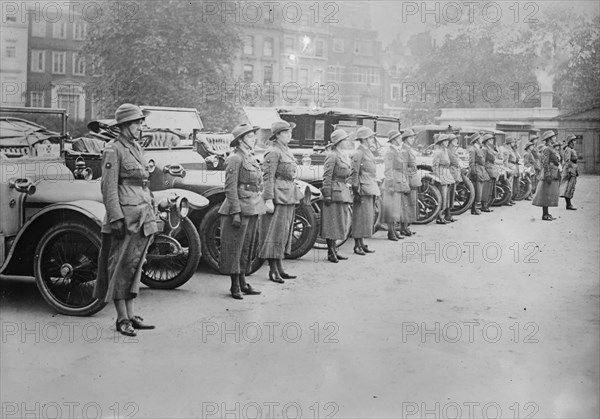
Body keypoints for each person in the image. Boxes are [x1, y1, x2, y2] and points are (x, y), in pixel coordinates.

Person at [93, 103, 157, 337]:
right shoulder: (113, 149)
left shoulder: (137, 148)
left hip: (142, 212)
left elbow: (143, 182)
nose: (141, 126)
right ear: (124, 126)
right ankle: (121, 318)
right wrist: (116, 217)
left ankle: (131, 315)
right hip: (126, 215)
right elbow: (108, 187)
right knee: (121, 266)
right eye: (137, 122)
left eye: (141, 122)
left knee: (134, 265)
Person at [218, 123, 266, 299]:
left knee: (247, 246)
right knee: (235, 248)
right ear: (241, 140)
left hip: (252, 206)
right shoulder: (235, 158)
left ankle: (243, 282)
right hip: (238, 208)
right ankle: (235, 285)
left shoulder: (250, 157)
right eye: (251, 136)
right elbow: (230, 188)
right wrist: (235, 212)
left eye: (254, 135)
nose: (254, 138)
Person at [259, 120, 304, 283]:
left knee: (284, 233)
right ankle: (272, 270)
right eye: (285, 133)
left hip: (288, 194)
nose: (289, 135)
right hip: (278, 195)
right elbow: (268, 177)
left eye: (290, 133)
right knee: (275, 233)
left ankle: (280, 268)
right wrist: (268, 199)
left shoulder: (286, 150)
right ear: (276, 136)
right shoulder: (273, 152)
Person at [321, 129, 353, 262]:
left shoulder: (343, 155)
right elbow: (327, 176)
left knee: (339, 222)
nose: (347, 142)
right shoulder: (332, 155)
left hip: (342, 191)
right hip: (334, 192)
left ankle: (335, 250)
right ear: (339, 142)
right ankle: (330, 252)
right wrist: (327, 194)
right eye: (345, 140)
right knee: (331, 223)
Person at [350, 126, 380, 254]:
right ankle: (356, 245)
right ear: (364, 139)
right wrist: (355, 189)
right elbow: (355, 172)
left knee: (366, 217)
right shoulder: (359, 153)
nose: (372, 139)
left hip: (369, 186)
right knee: (360, 218)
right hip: (362, 188)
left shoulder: (367, 151)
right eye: (370, 137)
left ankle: (361, 243)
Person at [380, 129, 410, 241]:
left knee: (396, 209)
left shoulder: (396, 151)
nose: (400, 139)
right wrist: (390, 185)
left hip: (398, 181)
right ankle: (391, 232)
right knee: (391, 209)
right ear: (393, 140)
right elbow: (388, 170)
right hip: (393, 182)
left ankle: (393, 232)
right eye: (398, 138)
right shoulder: (390, 152)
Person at [532, 130, 561, 220]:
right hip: (548, 174)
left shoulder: (551, 148)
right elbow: (545, 162)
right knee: (545, 194)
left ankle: (547, 213)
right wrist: (548, 174)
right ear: (549, 139)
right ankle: (544, 215)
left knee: (549, 193)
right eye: (553, 137)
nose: (555, 138)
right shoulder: (546, 149)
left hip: (553, 173)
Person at [399, 129, 420, 235]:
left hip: (412, 179)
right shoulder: (404, 150)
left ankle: (406, 227)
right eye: (411, 137)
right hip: (408, 179)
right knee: (406, 204)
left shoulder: (408, 149)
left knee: (411, 204)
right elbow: (403, 168)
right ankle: (403, 228)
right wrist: (405, 182)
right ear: (406, 139)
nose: (413, 139)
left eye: (413, 137)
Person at [432, 134, 456, 224]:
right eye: (445, 141)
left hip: (447, 174)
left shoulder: (445, 151)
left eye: (447, 141)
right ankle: (439, 217)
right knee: (442, 197)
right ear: (441, 143)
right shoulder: (438, 152)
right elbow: (435, 166)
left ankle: (444, 216)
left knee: (447, 197)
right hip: (441, 174)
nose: (446, 143)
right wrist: (438, 177)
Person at [468, 133, 491, 215]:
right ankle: (474, 208)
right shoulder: (473, 149)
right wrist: (473, 172)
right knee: (477, 190)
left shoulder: (478, 148)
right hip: (477, 170)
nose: (482, 140)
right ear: (476, 140)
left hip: (481, 169)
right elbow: (471, 162)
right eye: (480, 138)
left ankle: (478, 207)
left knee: (480, 189)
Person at [560, 135, 578, 210]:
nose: (575, 142)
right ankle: (568, 204)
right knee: (569, 187)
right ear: (570, 142)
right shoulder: (568, 149)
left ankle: (569, 204)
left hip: (572, 169)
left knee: (571, 187)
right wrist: (570, 170)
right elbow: (567, 161)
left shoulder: (570, 149)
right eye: (573, 141)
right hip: (570, 170)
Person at [446, 134, 462, 221]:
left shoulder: (452, 150)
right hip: (451, 174)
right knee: (449, 195)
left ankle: (449, 214)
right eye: (454, 140)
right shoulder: (449, 151)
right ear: (450, 142)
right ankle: (447, 214)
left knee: (451, 195)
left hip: (454, 173)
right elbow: (455, 161)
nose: (456, 141)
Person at [482, 133, 499, 210]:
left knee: (491, 188)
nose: (492, 141)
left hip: (492, 169)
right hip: (488, 169)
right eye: (490, 140)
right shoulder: (484, 149)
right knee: (487, 188)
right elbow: (483, 161)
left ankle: (487, 205)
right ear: (487, 141)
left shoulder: (490, 149)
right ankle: (484, 205)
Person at [504, 137, 520, 205]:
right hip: (510, 166)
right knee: (509, 185)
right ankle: (507, 200)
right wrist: (507, 169)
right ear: (510, 143)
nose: (514, 143)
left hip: (513, 166)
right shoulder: (507, 150)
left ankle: (509, 199)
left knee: (511, 184)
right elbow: (505, 161)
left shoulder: (512, 150)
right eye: (512, 142)